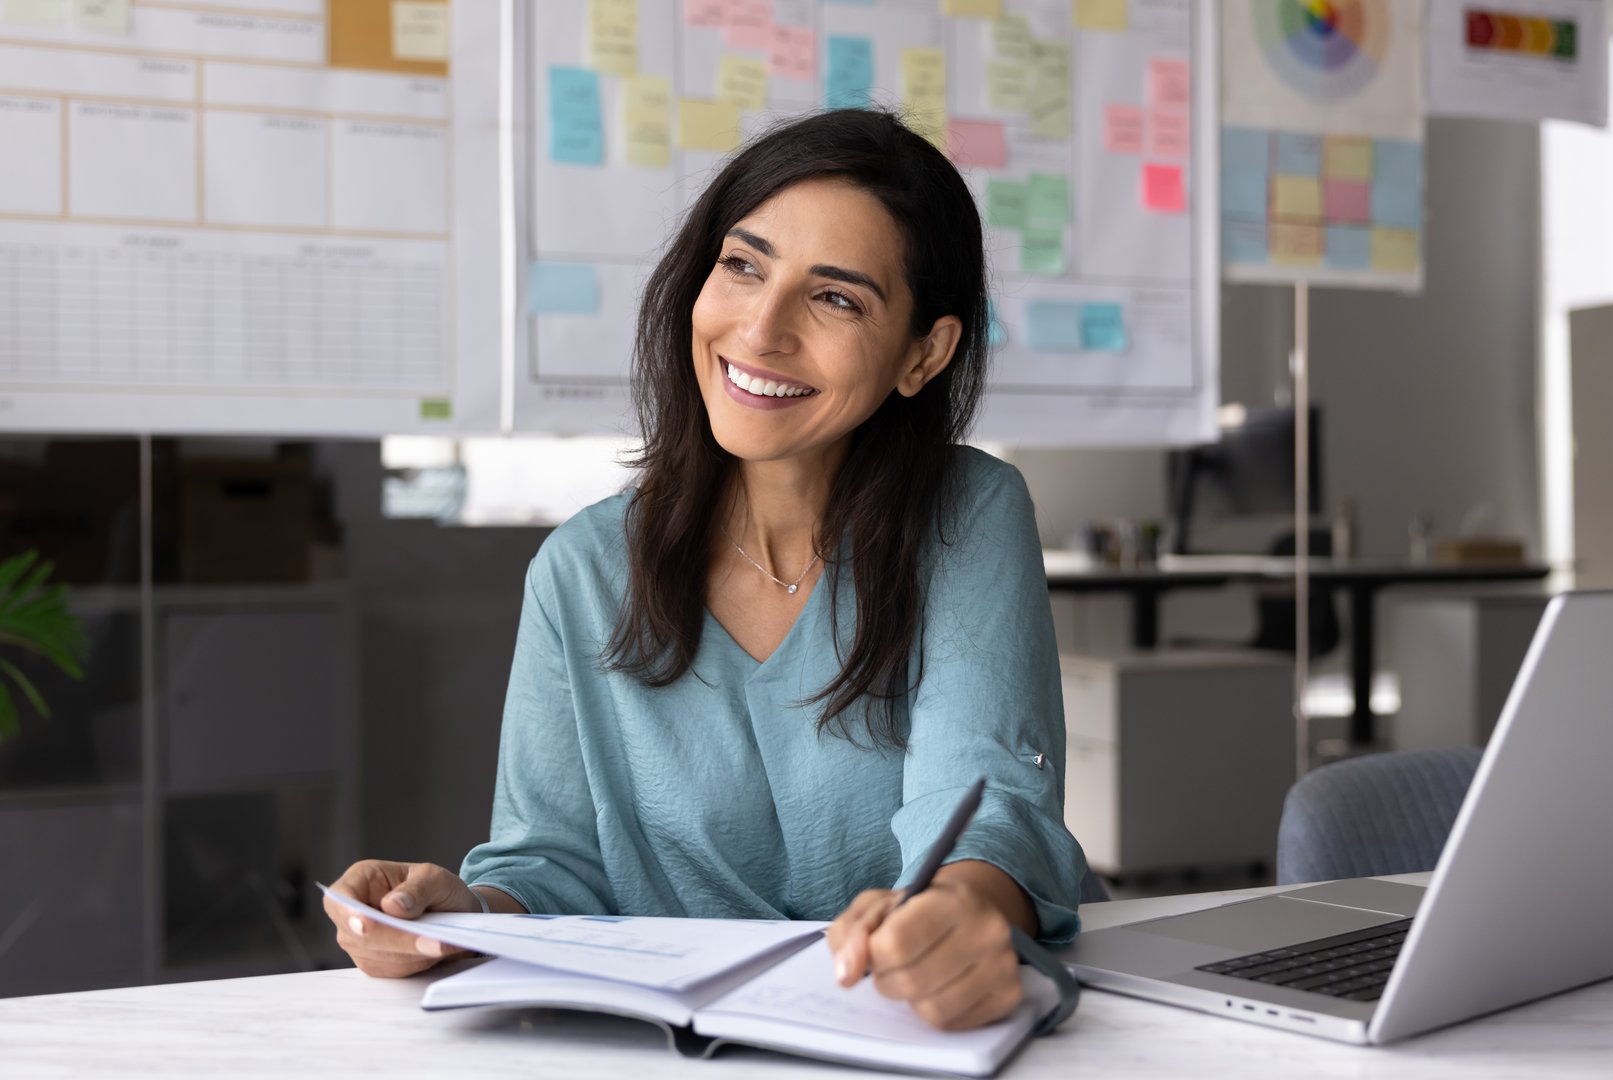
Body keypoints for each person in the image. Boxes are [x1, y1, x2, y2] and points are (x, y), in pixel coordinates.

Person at [324, 109, 1086, 1032]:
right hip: (674, 1045)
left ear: (923, 353)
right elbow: (551, 867)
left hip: (911, 1032)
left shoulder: (969, 515)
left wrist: (961, 914)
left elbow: (985, 807)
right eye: (743, 265)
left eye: (836, 298)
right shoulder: (580, 569)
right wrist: (459, 917)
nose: (761, 329)